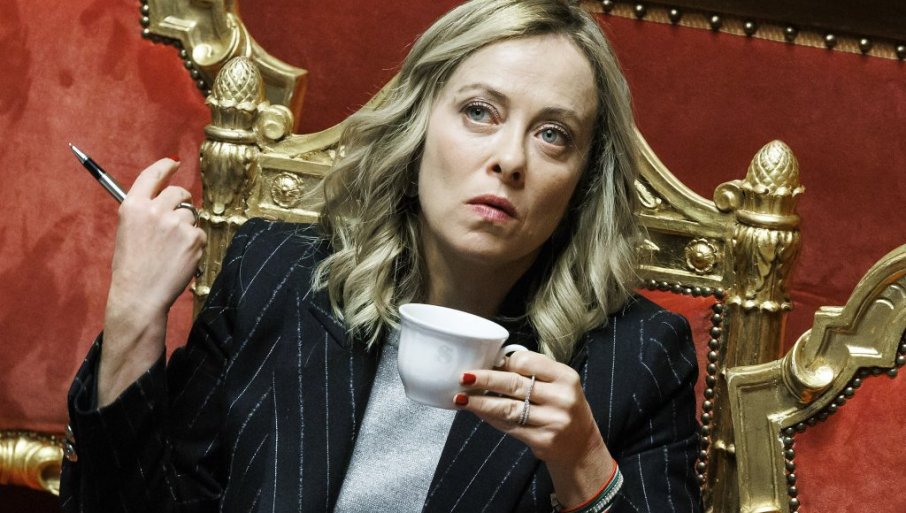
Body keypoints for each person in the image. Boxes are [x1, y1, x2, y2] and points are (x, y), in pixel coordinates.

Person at [61, 0, 702, 512]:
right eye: (480, 112)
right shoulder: (275, 275)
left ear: (584, 180)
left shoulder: (638, 359)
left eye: (553, 135)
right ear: (418, 124)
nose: (510, 159)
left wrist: (584, 465)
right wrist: (134, 314)